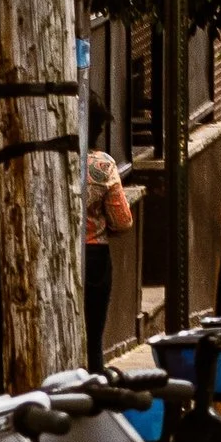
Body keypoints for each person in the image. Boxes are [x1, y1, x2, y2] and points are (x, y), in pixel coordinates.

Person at [84, 107, 133, 364]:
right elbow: (123, 220)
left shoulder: (53, 157)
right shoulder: (102, 165)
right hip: (95, 254)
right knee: (93, 332)